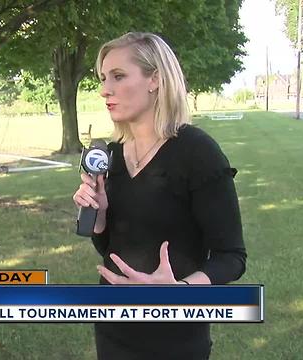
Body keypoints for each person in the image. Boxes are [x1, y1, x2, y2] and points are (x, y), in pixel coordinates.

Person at [72, 32, 247, 360]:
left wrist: (178, 292)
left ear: (155, 79)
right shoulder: (111, 155)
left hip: (174, 337)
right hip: (113, 328)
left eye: (119, 76)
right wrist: (101, 216)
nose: (104, 89)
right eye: (103, 78)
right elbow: (111, 249)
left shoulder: (197, 152)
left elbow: (231, 258)